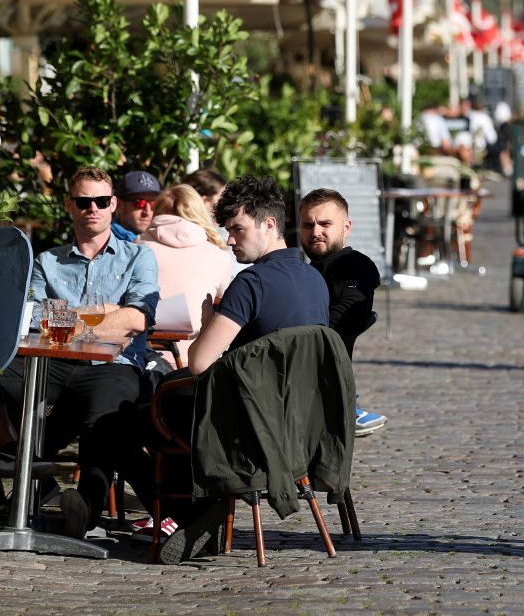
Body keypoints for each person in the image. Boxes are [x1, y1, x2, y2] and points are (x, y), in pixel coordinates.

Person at [157, 175, 331, 561]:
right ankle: (208, 506)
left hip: (249, 427)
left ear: (269, 225)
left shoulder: (250, 284)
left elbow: (200, 363)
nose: (230, 239)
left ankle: (200, 510)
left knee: (150, 408)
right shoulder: (314, 280)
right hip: (300, 424)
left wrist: (208, 323)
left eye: (237, 229)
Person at [0, 166, 159, 540]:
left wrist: (71, 321)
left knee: (102, 420)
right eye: (84, 201)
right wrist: (104, 316)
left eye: (101, 201)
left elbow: (135, 318)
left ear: (113, 205)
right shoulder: (48, 260)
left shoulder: (138, 257)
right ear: (70, 205)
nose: (93, 208)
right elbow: (32, 316)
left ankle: (84, 506)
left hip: (115, 365)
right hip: (54, 362)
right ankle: (17, 473)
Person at [298, 188, 387, 436]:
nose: (315, 232)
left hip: (317, 380)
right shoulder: (300, 269)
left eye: (325, 223)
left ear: (346, 227)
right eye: (308, 225)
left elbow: (347, 316)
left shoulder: (355, 267)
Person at [138, 184, 237, 368]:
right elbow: (224, 300)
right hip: (198, 362)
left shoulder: (136, 248)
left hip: (145, 360)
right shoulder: (216, 254)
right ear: (198, 212)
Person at [111, 170, 161, 242]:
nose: (147, 212)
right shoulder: (100, 240)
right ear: (118, 205)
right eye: (140, 203)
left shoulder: (159, 242)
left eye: (153, 204)